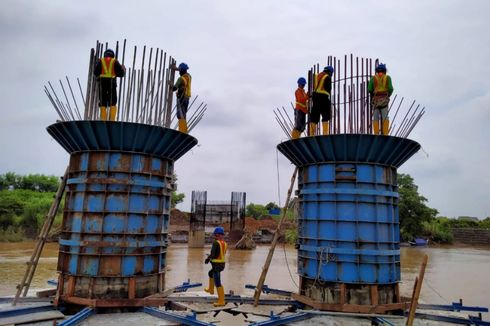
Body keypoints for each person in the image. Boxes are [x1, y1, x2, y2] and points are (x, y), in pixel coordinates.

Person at [94, 49, 126, 121]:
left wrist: (99, 77)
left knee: (102, 102)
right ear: (112, 55)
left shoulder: (101, 61)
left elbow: (95, 73)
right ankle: (112, 120)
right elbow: (121, 74)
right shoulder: (114, 61)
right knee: (113, 101)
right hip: (112, 83)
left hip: (102, 83)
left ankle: (103, 120)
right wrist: (123, 70)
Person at [204, 226, 228, 306]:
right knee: (210, 273)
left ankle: (221, 301)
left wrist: (208, 259)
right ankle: (211, 289)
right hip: (221, 264)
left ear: (217, 234)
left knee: (218, 282)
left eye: (216, 234)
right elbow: (220, 254)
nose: (215, 236)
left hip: (216, 265)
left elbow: (213, 254)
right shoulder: (224, 243)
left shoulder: (215, 243)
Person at [368, 63, 394, 135]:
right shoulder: (387, 78)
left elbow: (369, 89)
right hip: (384, 100)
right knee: (385, 117)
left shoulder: (373, 78)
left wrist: (373, 95)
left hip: (376, 100)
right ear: (385, 70)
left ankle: (376, 134)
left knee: (375, 118)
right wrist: (388, 95)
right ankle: (385, 134)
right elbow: (391, 89)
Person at [310, 66, 334, 136]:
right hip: (323, 97)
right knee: (326, 115)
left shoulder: (317, 76)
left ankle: (311, 134)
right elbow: (328, 89)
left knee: (315, 115)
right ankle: (325, 133)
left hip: (315, 97)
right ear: (330, 71)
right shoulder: (327, 77)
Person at [172, 63, 192, 133]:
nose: (179, 71)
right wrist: (176, 68)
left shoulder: (180, 79)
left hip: (182, 97)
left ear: (181, 71)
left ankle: (182, 131)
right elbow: (183, 70)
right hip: (187, 97)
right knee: (183, 114)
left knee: (180, 114)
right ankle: (184, 130)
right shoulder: (189, 76)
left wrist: (170, 85)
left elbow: (174, 88)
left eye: (179, 70)